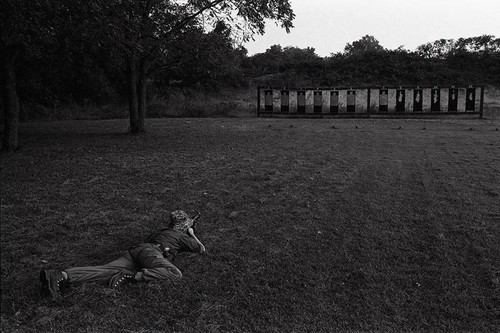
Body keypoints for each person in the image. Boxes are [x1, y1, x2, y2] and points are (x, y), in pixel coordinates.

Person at [40, 210, 205, 298]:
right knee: (174, 273)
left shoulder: (162, 231)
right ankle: (132, 277)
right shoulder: (183, 236)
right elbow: (200, 249)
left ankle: (60, 275)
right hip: (152, 253)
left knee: (105, 270)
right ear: (184, 226)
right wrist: (191, 233)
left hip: (137, 250)